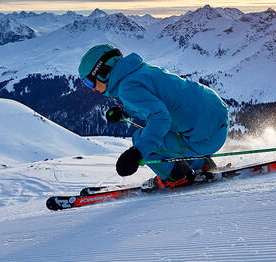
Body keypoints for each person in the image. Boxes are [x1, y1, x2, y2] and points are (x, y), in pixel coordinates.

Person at [78, 44, 229, 189]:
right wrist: (125, 112)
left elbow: (160, 117)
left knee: (141, 140)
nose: (92, 88)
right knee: (158, 135)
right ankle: (200, 164)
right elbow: (155, 97)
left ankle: (177, 175)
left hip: (206, 139)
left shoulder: (127, 89)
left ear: (103, 72)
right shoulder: (140, 71)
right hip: (218, 119)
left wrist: (137, 153)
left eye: (89, 82)